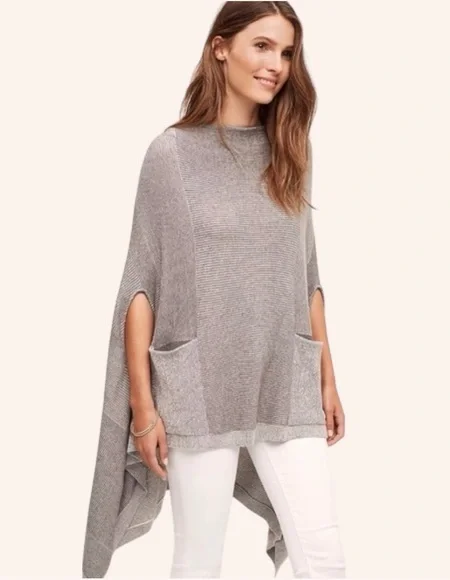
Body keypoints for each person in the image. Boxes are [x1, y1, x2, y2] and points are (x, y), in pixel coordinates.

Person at [83, 2, 346, 578]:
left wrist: (327, 380)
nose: (276, 64)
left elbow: (306, 276)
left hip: (285, 380)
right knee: (198, 561)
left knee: (323, 555)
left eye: (286, 52)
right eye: (262, 46)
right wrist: (143, 410)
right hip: (198, 385)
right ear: (220, 48)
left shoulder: (291, 152)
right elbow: (142, 287)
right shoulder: (171, 156)